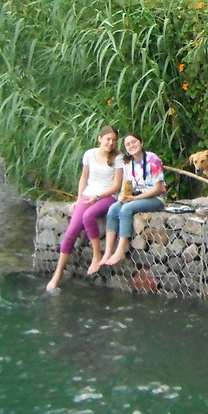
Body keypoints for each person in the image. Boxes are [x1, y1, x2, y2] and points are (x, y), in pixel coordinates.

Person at [45, 125, 122, 292]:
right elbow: (84, 177)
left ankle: (96, 255)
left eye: (114, 140)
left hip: (107, 196)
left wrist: (99, 196)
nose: (111, 143)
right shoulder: (89, 154)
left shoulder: (118, 158)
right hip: (88, 195)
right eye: (108, 139)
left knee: (89, 216)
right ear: (99, 138)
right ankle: (57, 274)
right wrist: (79, 198)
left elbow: (116, 185)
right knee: (71, 231)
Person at [98, 132, 166, 268]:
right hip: (135, 196)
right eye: (127, 144)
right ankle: (108, 251)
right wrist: (123, 196)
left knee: (126, 209)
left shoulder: (153, 159)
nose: (131, 146)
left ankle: (121, 249)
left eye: (134, 142)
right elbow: (127, 185)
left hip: (156, 198)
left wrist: (134, 199)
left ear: (141, 143)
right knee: (113, 209)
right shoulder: (128, 163)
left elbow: (158, 188)